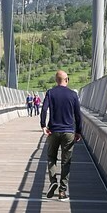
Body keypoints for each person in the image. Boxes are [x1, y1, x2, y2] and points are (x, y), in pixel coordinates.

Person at [40, 70, 82, 201]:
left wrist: (43, 125)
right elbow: (78, 115)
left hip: (53, 131)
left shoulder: (50, 93)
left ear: (56, 80)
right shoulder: (73, 95)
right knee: (66, 162)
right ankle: (62, 192)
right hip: (69, 131)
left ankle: (53, 180)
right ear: (67, 80)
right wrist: (78, 131)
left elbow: (44, 109)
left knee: (51, 157)